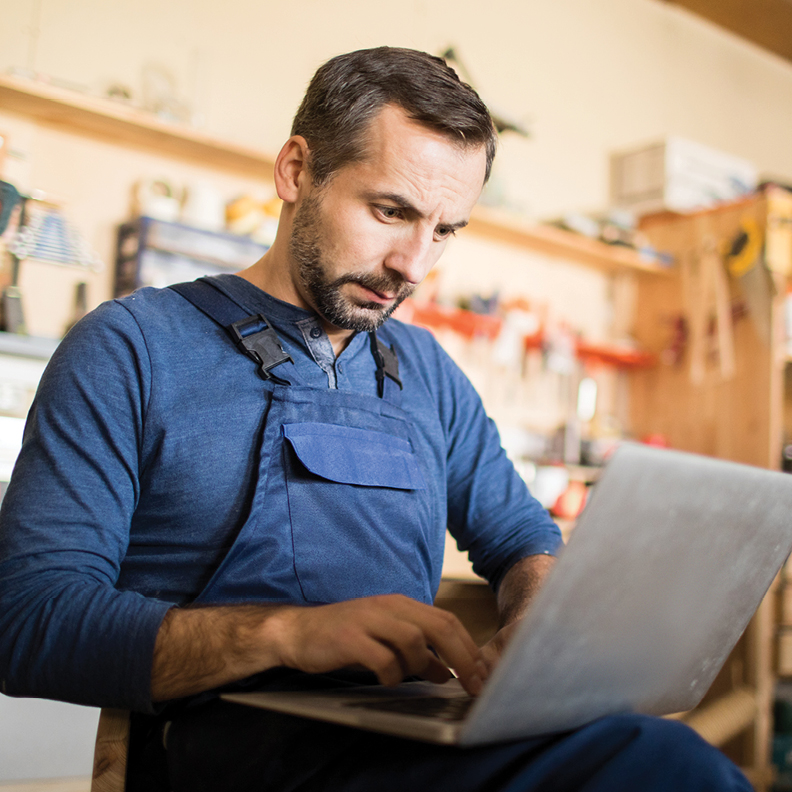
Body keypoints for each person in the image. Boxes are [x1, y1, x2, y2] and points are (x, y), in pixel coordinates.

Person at [0, 47, 750, 791]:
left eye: (445, 229)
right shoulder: (132, 347)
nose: (414, 266)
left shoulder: (424, 370)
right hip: (229, 755)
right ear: (297, 170)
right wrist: (287, 633)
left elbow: (522, 539)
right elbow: (28, 623)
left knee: (652, 753)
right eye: (390, 211)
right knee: (662, 768)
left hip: (398, 737)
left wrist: (540, 618)